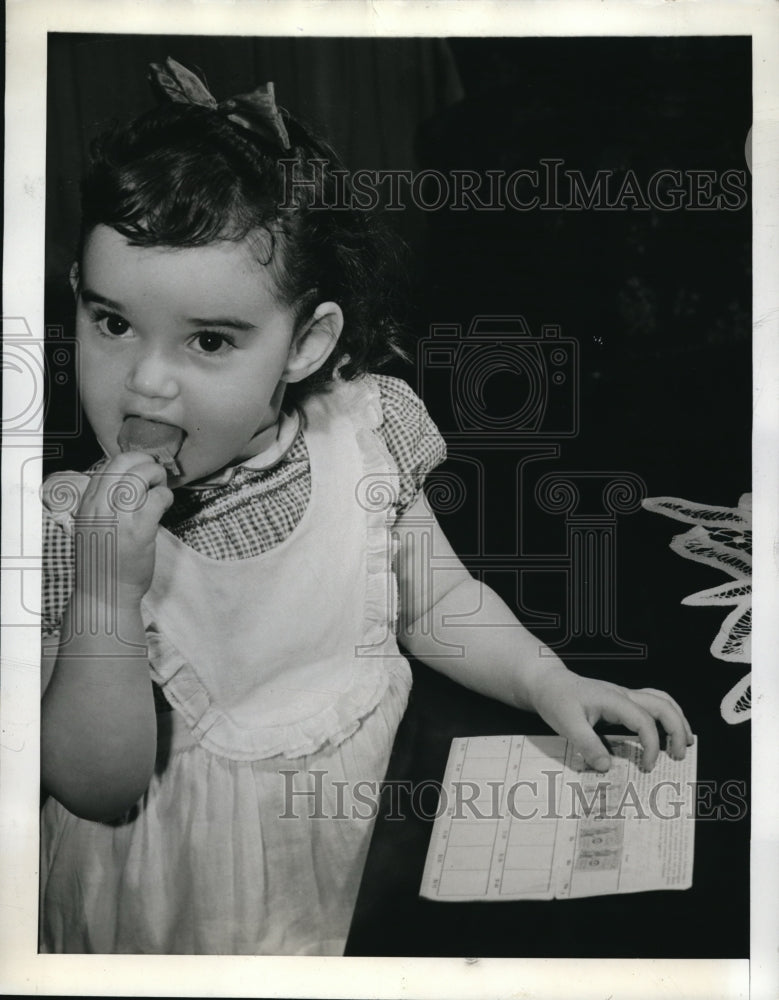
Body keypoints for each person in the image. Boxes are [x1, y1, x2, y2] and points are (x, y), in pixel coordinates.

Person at [39, 59, 693, 955]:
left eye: (209, 340)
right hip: (186, 906)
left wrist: (551, 680)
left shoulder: (364, 430)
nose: (146, 384)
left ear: (308, 343)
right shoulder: (67, 530)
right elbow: (97, 787)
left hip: (366, 835)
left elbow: (436, 602)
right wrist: (105, 594)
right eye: (112, 322)